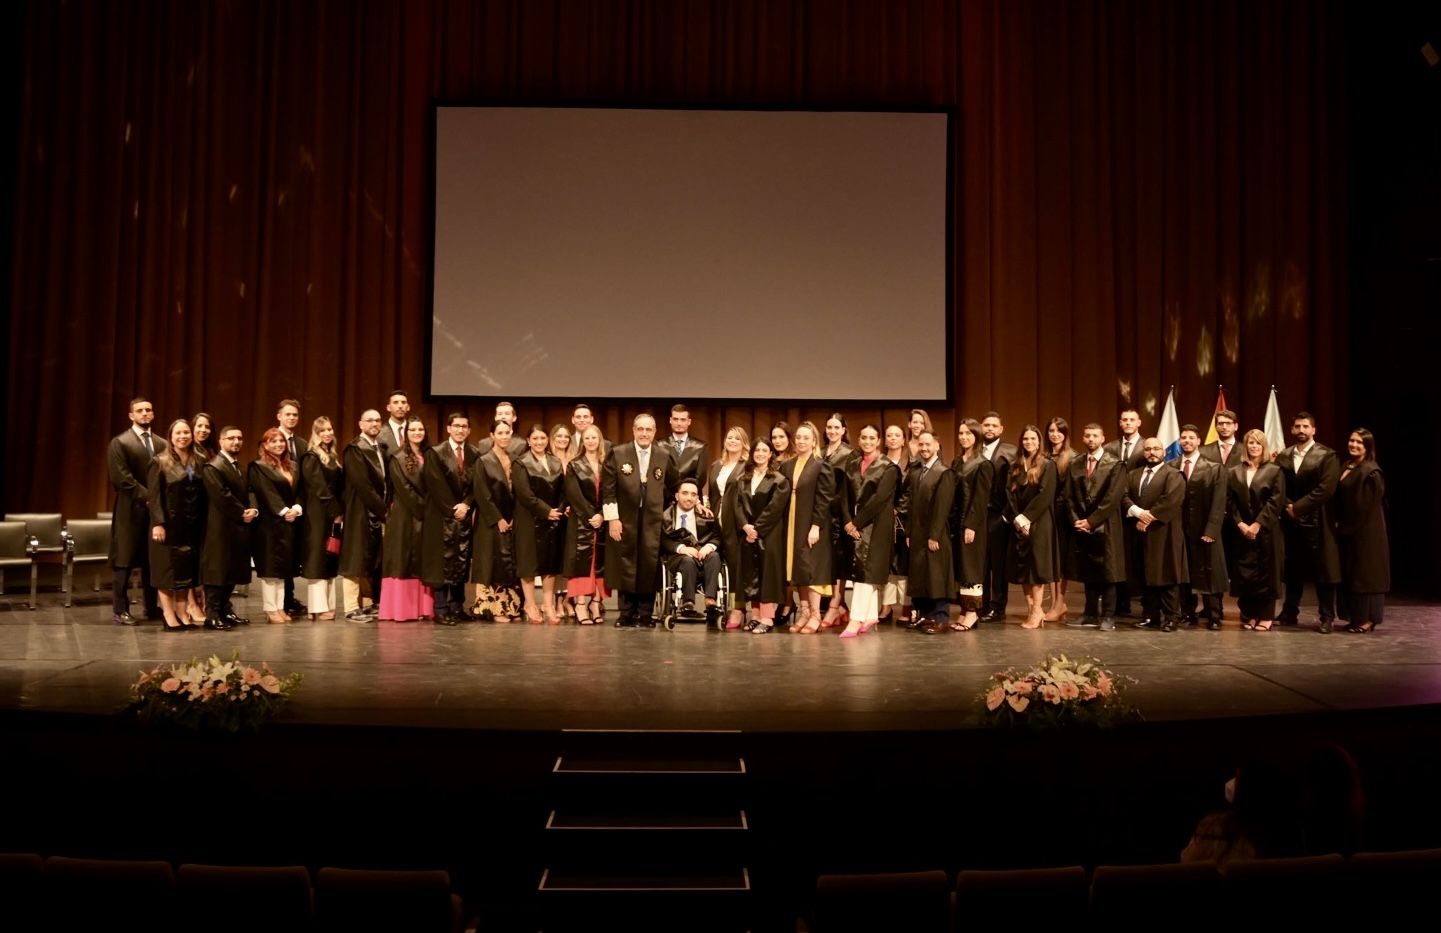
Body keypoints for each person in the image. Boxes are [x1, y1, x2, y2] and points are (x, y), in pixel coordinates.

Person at [603, 413, 677, 627]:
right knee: (625, 563)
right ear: (634, 430)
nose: (644, 433)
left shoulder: (664, 454)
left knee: (648, 564)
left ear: (654, 432)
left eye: (649, 429)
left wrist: (666, 509)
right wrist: (613, 519)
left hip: (652, 521)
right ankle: (626, 613)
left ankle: (645, 613)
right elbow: (608, 490)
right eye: (640, 429)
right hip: (624, 519)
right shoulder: (618, 453)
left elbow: (674, 484)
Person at [1277, 411, 1341, 633]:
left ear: (1313, 430)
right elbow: (1278, 486)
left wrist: (1298, 508)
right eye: (1297, 427)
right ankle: (1289, 612)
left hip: (1318, 521)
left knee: (1323, 572)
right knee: (1292, 571)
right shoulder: (1283, 456)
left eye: (1305, 427)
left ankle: (1326, 617)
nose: (1301, 430)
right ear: (1292, 429)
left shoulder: (1327, 455)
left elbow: (1326, 489)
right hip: (1290, 521)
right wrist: (1288, 507)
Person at [107, 397, 167, 625]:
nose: (145, 413)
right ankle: (120, 610)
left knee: (151, 560)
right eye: (140, 410)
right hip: (130, 509)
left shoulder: (161, 443)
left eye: (148, 410)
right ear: (131, 415)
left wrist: (158, 501)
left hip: (154, 511)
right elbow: (122, 479)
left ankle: (151, 607)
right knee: (124, 560)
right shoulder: (120, 442)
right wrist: (149, 497)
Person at [839, 425, 900, 637]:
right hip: (854, 524)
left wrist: (856, 522)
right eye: (863, 437)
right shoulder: (853, 463)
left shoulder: (888, 467)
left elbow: (880, 499)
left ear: (878, 440)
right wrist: (848, 520)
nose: (867, 441)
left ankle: (855, 620)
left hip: (876, 526)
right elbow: (844, 494)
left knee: (867, 572)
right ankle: (871, 614)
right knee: (860, 571)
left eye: (871, 438)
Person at [1123, 437, 1188, 632]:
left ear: (1164, 452)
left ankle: (1170, 617)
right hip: (1140, 533)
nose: (1152, 452)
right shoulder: (1133, 475)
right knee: (1146, 575)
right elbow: (1123, 496)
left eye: (1156, 449)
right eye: (1148, 449)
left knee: (1167, 575)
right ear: (1143, 452)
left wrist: (1147, 518)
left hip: (1165, 532)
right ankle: (1150, 616)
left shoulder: (1173, 474)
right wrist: (1137, 512)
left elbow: (1171, 500)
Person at [147, 419, 206, 631]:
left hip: (189, 526)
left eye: (186, 433)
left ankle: (182, 612)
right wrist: (158, 523)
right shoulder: (160, 461)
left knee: (185, 572)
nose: (183, 437)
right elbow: (154, 497)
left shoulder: (198, 460)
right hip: (167, 527)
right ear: (171, 437)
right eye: (178, 433)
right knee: (167, 572)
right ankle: (168, 613)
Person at [1068, 423, 1127, 631]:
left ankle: (1109, 616)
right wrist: (1077, 519)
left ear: (1103, 438)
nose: (1090, 439)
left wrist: (1092, 521)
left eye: (1095, 435)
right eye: (1087, 435)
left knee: (1109, 573)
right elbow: (1069, 496)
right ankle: (1090, 613)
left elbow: (1113, 498)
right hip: (1083, 525)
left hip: (1106, 524)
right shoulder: (1076, 463)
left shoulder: (1115, 464)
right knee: (1089, 571)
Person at [199, 425, 258, 629]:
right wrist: (242, 513)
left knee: (232, 570)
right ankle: (212, 614)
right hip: (220, 528)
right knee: (218, 570)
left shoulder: (239, 466)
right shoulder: (213, 466)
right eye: (231, 438)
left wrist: (253, 509)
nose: (236, 442)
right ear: (221, 441)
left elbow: (250, 491)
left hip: (238, 526)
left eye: (239, 438)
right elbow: (221, 495)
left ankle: (225, 609)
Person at [1227, 430, 1286, 630]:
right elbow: (1229, 502)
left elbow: (1276, 501)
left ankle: (1266, 616)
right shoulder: (1234, 471)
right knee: (1245, 574)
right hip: (1242, 531)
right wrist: (1241, 524)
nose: (1253, 446)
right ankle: (1250, 615)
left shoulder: (1274, 470)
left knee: (1266, 574)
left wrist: (1257, 524)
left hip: (1266, 531)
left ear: (1263, 446)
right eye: (1250, 442)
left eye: (1257, 443)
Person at [779, 421, 835, 634]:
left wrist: (816, 526)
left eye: (806, 438)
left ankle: (815, 614)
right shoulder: (787, 465)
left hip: (810, 524)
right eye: (799, 437)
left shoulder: (821, 465)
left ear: (814, 441)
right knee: (798, 568)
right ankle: (803, 613)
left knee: (811, 568)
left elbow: (824, 499)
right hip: (792, 522)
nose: (801, 441)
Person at [421, 412, 476, 625]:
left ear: (469, 430)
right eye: (457, 426)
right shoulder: (435, 453)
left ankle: (457, 607)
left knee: (461, 561)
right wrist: (453, 509)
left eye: (464, 426)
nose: (460, 429)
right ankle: (441, 608)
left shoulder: (475, 453)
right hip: (441, 516)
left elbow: (476, 485)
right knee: (442, 563)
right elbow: (435, 485)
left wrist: (467, 505)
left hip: (464, 515)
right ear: (448, 428)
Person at [1174, 424, 1229, 629]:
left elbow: (1219, 501)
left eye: (1191, 438)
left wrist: (1211, 530)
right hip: (1179, 530)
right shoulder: (1172, 466)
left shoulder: (1214, 468)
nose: (1187, 441)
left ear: (1199, 442)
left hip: (1204, 529)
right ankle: (1187, 613)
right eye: (1183, 437)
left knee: (1209, 572)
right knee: (1184, 573)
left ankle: (1214, 615)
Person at [1334, 428, 1389, 633]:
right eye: (1351, 440)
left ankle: (1368, 619)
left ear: (1367, 447)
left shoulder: (1371, 472)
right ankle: (1356, 616)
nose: (1354, 445)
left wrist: (1345, 527)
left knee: (1367, 575)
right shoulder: (1346, 466)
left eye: (1359, 442)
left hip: (1367, 532)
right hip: (1348, 532)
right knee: (1352, 574)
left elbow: (1365, 506)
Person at [378, 418, 433, 622]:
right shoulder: (397, 457)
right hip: (405, 514)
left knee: (421, 560)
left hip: (426, 516)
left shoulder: (429, 455)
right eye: (413, 429)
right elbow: (404, 488)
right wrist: (425, 509)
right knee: (403, 559)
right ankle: (402, 609)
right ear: (406, 432)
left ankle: (423, 608)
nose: (417, 432)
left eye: (421, 429)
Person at [471, 420, 526, 621]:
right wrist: (498, 519)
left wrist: (513, 518)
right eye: (500, 433)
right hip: (490, 521)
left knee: (508, 563)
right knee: (491, 563)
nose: (504, 436)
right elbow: (482, 494)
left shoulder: (515, 458)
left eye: (507, 433)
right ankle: (493, 609)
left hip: (512, 518)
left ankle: (510, 607)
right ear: (492, 435)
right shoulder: (483, 460)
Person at [902, 430, 956, 634]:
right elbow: (911, 505)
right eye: (921, 445)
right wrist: (908, 533)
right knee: (920, 576)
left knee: (936, 575)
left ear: (937, 446)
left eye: (928, 445)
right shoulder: (916, 473)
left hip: (935, 534)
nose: (924, 448)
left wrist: (934, 535)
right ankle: (923, 616)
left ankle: (940, 618)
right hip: (916, 533)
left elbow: (943, 508)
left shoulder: (944, 473)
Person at [1006, 426, 1059, 629]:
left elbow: (1046, 495)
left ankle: (1037, 610)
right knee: (1023, 568)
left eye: (1032, 438)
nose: (1028, 442)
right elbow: (1008, 494)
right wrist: (1017, 519)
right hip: (1018, 523)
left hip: (1040, 522)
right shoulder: (1015, 466)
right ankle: (1032, 609)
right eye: (1025, 438)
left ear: (1039, 442)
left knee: (1037, 569)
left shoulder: (1048, 465)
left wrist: (1027, 518)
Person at [737, 437, 791, 634]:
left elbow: (774, 509)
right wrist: (745, 526)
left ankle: (767, 618)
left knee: (767, 575)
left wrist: (757, 529)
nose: (759, 454)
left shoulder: (779, 480)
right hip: (748, 533)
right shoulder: (744, 478)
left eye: (764, 450)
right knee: (751, 574)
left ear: (770, 454)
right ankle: (756, 616)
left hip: (769, 534)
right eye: (756, 450)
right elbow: (738, 505)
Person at [249, 428, 302, 624]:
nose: (278, 444)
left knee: (283, 570)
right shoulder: (258, 466)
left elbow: (300, 490)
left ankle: (280, 607)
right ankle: (270, 609)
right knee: (271, 569)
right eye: (273, 441)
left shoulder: (292, 466)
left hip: (289, 523)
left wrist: (296, 508)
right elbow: (265, 491)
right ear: (265, 445)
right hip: (269, 524)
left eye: (281, 441)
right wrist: (283, 510)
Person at [515, 424, 566, 623]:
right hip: (529, 519)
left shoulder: (554, 461)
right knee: (528, 564)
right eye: (535, 438)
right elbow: (524, 494)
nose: (539, 442)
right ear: (528, 441)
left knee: (550, 564)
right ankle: (530, 604)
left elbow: (564, 489)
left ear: (547, 440)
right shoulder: (521, 462)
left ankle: (548, 605)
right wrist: (546, 511)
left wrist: (558, 510)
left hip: (553, 520)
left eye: (542, 438)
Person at [339, 410, 387, 621]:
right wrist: (383, 509)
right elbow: (362, 485)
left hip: (376, 511)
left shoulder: (381, 448)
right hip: (360, 510)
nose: (374, 423)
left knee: (372, 559)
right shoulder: (354, 449)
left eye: (377, 420)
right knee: (355, 558)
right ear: (360, 424)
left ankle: (368, 604)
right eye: (369, 420)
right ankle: (350, 608)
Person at [948, 418, 992, 631]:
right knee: (961, 567)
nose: (964, 437)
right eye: (961, 433)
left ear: (977, 436)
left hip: (973, 523)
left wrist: (971, 525)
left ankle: (973, 611)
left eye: (968, 433)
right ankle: (964, 609)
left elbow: (980, 499)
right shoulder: (957, 461)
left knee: (971, 567)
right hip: (957, 522)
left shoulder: (983, 464)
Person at [298, 417, 344, 621]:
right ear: (315, 433)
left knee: (330, 556)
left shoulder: (332, 456)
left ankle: (328, 604)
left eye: (330, 429)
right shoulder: (310, 457)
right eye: (322, 430)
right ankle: (316, 607)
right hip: (317, 513)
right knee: (317, 557)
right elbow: (319, 488)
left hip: (332, 513)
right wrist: (336, 511)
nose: (327, 433)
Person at [661, 478, 724, 623]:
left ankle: (710, 600)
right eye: (685, 493)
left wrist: (708, 547)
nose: (689, 498)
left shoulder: (706, 516)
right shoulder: (666, 516)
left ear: (697, 498)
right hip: (677, 558)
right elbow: (663, 540)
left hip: (703, 555)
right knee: (688, 560)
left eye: (693, 494)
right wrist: (682, 548)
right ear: (677, 496)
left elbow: (718, 538)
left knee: (714, 556)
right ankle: (688, 602)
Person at [705, 426, 750, 630]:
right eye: (729, 437)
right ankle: (713, 603)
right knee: (716, 560)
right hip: (717, 520)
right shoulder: (716, 465)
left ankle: (738, 608)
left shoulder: (747, 465)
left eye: (737, 439)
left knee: (736, 565)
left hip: (736, 521)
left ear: (744, 443)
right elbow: (714, 493)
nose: (732, 441)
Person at [564, 424, 609, 624]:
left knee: (599, 563)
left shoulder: (606, 464)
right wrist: (592, 516)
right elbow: (574, 494)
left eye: (594, 437)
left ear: (600, 440)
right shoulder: (574, 464)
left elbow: (610, 492)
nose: (591, 441)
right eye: (587, 438)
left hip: (602, 521)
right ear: (582, 441)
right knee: (582, 563)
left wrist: (602, 515)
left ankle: (595, 602)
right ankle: (580, 604)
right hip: (581, 521)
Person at [1104, 407, 1145, 618]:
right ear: (1120, 423)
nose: (1128, 423)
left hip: (1137, 508)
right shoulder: (1110, 447)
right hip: (1114, 509)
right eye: (1124, 420)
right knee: (1118, 557)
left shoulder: (1148, 447)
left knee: (1138, 558)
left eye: (1132, 420)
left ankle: (1144, 604)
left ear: (1139, 423)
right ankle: (1120, 602)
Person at [821, 413, 861, 627]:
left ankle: (835, 604)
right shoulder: (819, 452)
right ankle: (840, 606)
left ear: (844, 430)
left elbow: (850, 489)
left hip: (839, 514)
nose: (832, 431)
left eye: (837, 427)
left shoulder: (850, 454)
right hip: (821, 514)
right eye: (829, 427)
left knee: (840, 561)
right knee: (826, 562)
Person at [978, 411, 1017, 623]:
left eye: (994, 425)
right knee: (981, 564)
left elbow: (1014, 487)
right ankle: (981, 604)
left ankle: (997, 606)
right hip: (978, 517)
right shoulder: (976, 450)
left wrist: (1005, 516)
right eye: (986, 425)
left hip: (998, 516)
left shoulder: (1009, 452)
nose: (990, 429)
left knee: (998, 565)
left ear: (1001, 429)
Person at [1043, 417, 1077, 623]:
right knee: (1050, 560)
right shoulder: (1044, 455)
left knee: (1060, 561)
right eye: (1051, 430)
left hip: (1062, 515)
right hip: (1046, 513)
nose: (1054, 434)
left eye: (1059, 431)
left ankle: (1059, 603)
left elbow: (1069, 491)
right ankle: (1053, 602)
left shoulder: (1071, 457)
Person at [881, 424, 914, 624]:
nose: (892, 438)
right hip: (882, 519)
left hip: (904, 520)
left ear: (904, 440)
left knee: (903, 564)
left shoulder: (912, 463)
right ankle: (885, 606)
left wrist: (898, 509)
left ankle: (906, 606)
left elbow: (911, 492)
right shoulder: (880, 462)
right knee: (886, 564)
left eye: (897, 435)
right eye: (889, 435)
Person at [656, 403, 708, 497]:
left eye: (683, 420)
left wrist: (684, 495)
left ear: (689, 421)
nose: (679, 423)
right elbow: (657, 475)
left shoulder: (700, 447)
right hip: (664, 499)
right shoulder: (659, 445)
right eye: (675, 419)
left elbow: (700, 479)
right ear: (670, 420)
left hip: (690, 499)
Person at [381, 389, 411, 456]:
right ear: (388, 407)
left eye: (403, 402)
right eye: (395, 402)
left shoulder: (416, 430)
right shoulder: (379, 433)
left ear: (408, 407)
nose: (400, 406)